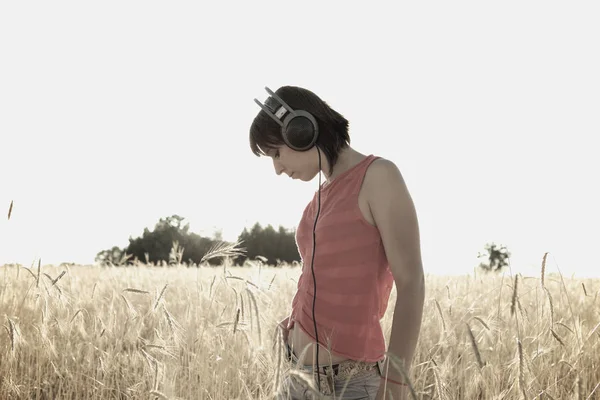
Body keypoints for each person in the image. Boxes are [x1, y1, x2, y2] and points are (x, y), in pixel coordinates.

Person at [249, 86, 425, 400]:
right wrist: (291, 328)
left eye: (276, 153)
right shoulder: (318, 198)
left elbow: (411, 283)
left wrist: (395, 384)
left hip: (347, 386)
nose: (276, 168)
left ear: (301, 132)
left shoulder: (378, 176)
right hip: (294, 376)